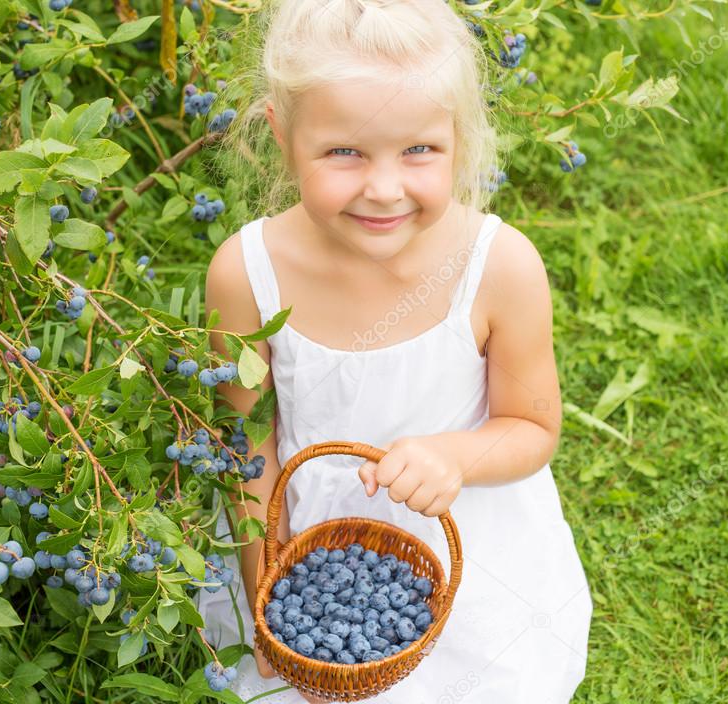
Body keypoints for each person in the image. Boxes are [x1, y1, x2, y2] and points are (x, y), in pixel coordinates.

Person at [201, 1, 592, 701]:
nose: (384, 188)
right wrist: (268, 586)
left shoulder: (499, 266)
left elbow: (532, 427)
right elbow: (243, 441)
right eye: (344, 152)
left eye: (419, 150)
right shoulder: (245, 274)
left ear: (458, 138)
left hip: (466, 534)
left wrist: (454, 456)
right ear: (282, 136)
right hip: (307, 545)